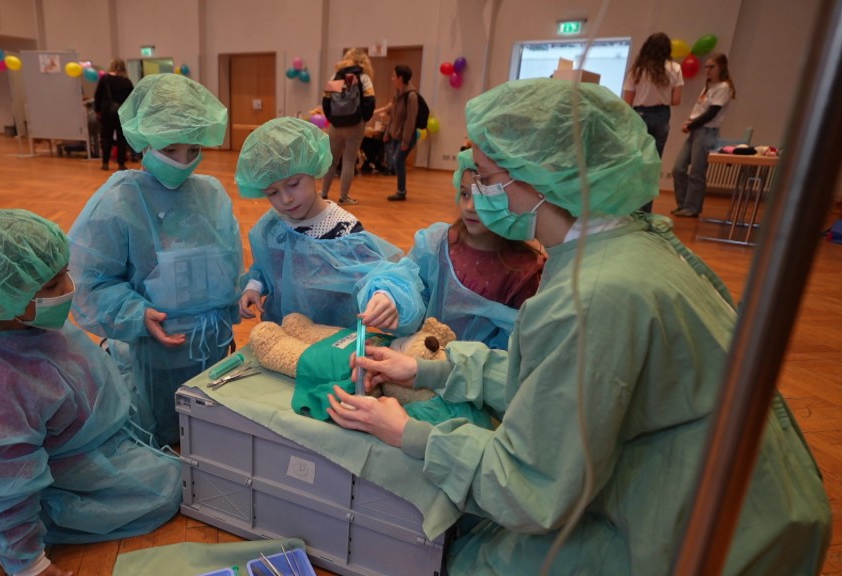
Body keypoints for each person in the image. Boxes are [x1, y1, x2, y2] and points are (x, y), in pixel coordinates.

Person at [328, 79, 831, 575]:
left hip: (712, 540)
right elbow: (560, 384)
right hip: (755, 501)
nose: (476, 192)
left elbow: (526, 486)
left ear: (540, 178)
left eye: (483, 176)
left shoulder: (590, 295)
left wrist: (408, 433)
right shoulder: (623, 243)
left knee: (465, 560)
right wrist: (430, 369)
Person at [0, 209, 182, 576]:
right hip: (68, 459)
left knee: (129, 356)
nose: (68, 288)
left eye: (65, 272)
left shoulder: (12, 315)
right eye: (52, 286)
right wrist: (29, 563)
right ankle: (47, 511)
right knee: (170, 489)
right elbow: (2, 475)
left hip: (79, 418)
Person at [68, 73, 242, 447]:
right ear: (143, 142)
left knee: (207, 432)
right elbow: (92, 282)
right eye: (170, 150)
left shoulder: (210, 194)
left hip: (209, 344)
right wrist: (135, 313)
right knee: (162, 432)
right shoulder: (119, 201)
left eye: (193, 150)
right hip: (150, 349)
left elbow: (230, 264)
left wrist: (239, 297)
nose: (183, 163)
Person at [234, 116, 425, 334]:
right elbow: (267, 267)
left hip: (331, 339)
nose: (286, 199)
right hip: (282, 336)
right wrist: (254, 286)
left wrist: (385, 295)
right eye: (273, 192)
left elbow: (378, 273)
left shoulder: (343, 231)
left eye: (294, 184)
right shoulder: (272, 226)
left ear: (313, 168)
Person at [395, 148, 543, 349]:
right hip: (420, 356)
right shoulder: (438, 244)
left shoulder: (522, 270)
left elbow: (517, 345)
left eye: (484, 198)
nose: (470, 207)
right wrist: (390, 298)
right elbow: (408, 286)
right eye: (465, 194)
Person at [622, 32, 684, 212]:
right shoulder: (675, 68)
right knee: (653, 166)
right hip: (662, 115)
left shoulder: (638, 70)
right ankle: (645, 210)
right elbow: (677, 100)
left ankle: (629, 208)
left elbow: (628, 101)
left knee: (635, 163)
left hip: (640, 114)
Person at [672, 52, 735, 218]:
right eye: (706, 67)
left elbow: (711, 113)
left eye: (711, 67)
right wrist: (690, 122)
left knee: (697, 172)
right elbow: (700, 109)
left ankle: (692, 207)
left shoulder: (723, 87)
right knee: (678, 168)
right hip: (695, 130)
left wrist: (691, 124)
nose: (707, 70)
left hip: (706, 132)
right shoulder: (708, 86)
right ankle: (683, 203)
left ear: (721, 67)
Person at [319, 47, 376, 205]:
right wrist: (363, 119)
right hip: (355, 124)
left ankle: (323, 193)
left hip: (335, 125)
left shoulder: (336, 76)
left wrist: (332, 118)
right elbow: (370, 101)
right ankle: (344, 197)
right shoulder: (363, 78)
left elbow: (326, 101)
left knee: (331, 160)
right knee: (349, 161)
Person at [385, 65, 420, 202]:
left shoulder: (411, 96)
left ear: (400, 78)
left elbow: (411, 119)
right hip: (395, 134)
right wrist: (388, 131)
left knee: (398, 160)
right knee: (396, 161)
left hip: (405, 136)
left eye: (394, 76)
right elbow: (393, 115)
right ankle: (401, 190)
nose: (392, 78)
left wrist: (405, 141)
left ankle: (401, 191)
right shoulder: (397, 93)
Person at [93, 58, 134, 171]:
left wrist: (97, 110)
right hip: (122, 113)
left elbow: (97, 96)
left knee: (106, 137)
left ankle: (105, 163)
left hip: (107, 112)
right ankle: (121, 163)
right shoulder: (127, 81)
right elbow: (132, 100)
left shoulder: (105, 79)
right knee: (121, 138)